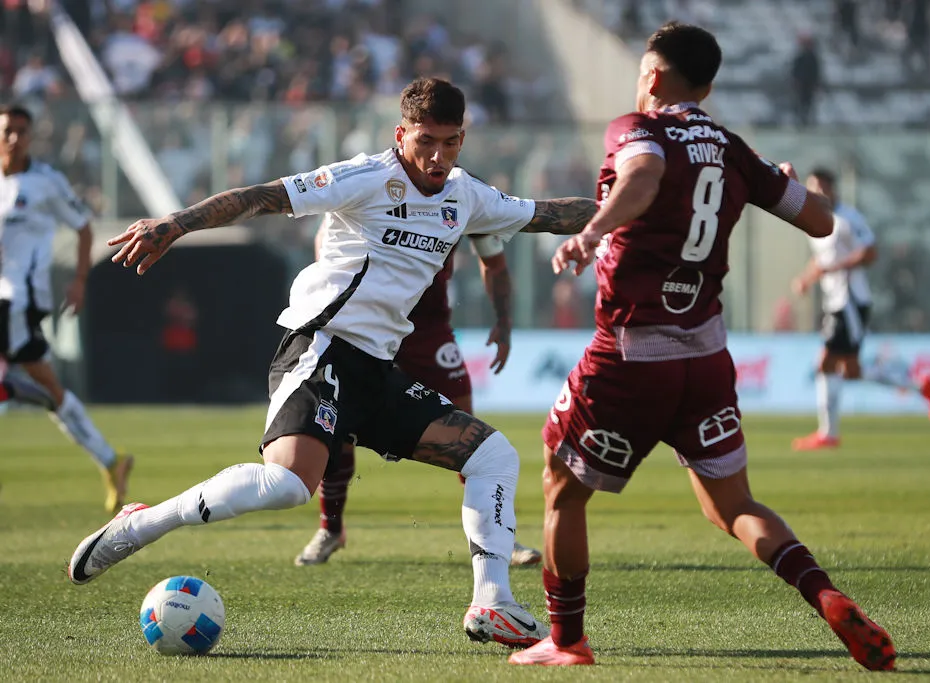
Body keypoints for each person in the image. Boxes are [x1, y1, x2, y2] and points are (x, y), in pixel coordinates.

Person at [67, 78, 596, 649]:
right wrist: (175, 223)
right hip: (321, 347)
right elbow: (261, 197)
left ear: (462, 140)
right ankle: (142, 523)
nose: (437, 156)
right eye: (425, 141)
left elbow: (552, 214)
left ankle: (492, 602)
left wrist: (637, 206)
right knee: (289, 484)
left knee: (493, 456)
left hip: (377, 370)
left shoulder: (466, 195)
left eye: (449, 143)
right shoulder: (365, 177)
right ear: (401, 134)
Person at [509, 23, 896, 670]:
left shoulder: (638, 129)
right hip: (707, 357)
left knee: (562, 487)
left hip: (630, 356)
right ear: (708, 88)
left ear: (654, 76)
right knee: (734, 506)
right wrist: (782, 179)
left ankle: (567, 640)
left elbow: (642, 177)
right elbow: (820, 219)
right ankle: (825, 595)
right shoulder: (734, 149)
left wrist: (592, 231)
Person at [294, 218, 542, 567]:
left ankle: (500, 538)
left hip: (428, 332)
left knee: (471, 435)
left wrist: (503, 320)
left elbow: (494, 262)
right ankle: (330, 529)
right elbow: (326, 241)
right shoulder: (368, 190)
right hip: (367, 328)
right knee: (337, 428)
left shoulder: (466, 196)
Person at [0, 104, 133, 513]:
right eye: (7, 130)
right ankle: (111, 460)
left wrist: (79, 280)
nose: (14, 138)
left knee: (27, 380)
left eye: (22, 131)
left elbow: (83, 228)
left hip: (19, 296)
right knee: (49, 388)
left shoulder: (46, 182)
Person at [790, 167, 930, 451]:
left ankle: (828, 434)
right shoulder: (816, 220)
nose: (816, 192)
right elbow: (821, 259)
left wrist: (834, 268)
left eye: (821, 186)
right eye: (812, 187)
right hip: (834, 301)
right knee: (851, 371)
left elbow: (870, 252)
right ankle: (921, 386)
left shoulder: (848, 218)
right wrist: (806, 279)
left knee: (825, 362)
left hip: (850, 301)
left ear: (833, 189)